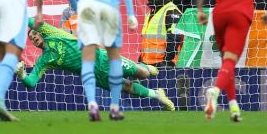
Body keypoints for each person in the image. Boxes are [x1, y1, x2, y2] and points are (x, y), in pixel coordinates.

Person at [61, 0, 136, 121]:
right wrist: (130, 13)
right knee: (113, 57)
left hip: (87, 7)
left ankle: (92, 105)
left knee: (88, 57)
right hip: (108, 6)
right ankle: (114, 106)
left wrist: (78, 8)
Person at [16, 21, 174, 111]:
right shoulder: (45, 60)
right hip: (94, 76)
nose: (34, 38)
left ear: (41, 32)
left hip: (102, 59)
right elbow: (31, 83)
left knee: (143, 74)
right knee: (127, 87)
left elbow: (29, 20)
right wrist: (22, 75)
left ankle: (144, 66)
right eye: (31, 38)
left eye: (35, 34)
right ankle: (157, 95)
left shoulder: (52, 33)